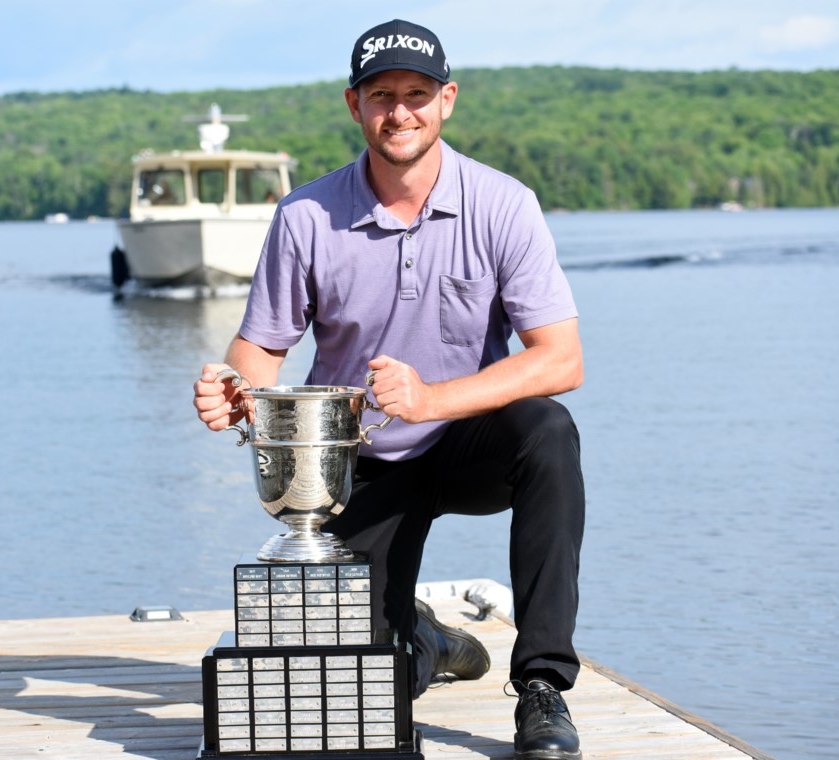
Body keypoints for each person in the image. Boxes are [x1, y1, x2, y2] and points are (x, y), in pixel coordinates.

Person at [193, 18, 585, 760]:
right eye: (382, 95)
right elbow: (261, 351)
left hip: (468, 440)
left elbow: (561, 358)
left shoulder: (504, 204)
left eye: (416, 94)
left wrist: (435, 399)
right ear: (354, 105)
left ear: (447, 101)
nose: (399, 111)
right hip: (354, 463)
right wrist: (228, 387)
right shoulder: (305, 215)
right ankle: (423, 641)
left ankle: (541, 687)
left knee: (550, 432)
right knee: (362, 689)